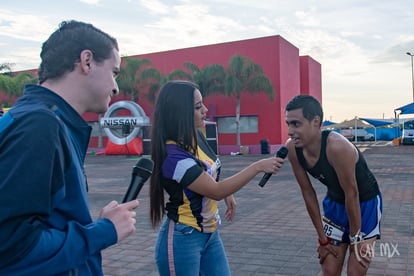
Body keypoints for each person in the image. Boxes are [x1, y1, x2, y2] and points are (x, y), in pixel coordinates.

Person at [0, 20, 139, 275]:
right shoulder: (39, 125)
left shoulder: (34, 118)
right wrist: (103, 232)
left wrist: (96, 226)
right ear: (86, 61)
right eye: (114, 72)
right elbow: (11, 247)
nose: (116, 87)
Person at [149, 80, 284, 275]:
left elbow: (210, 175)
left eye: (202, 103)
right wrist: (257, 166)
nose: (205, 110)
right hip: (183, 236)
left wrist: (228, 193)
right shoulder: (173, 156)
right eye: (197, 107)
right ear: (180, 112)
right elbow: (215, 191)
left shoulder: (196, 137)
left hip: (210, 234)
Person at [285, 95, 382, 275]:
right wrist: (322, 240)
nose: (290, 131)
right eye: (288, 124)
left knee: (355, 270)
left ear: (316, 121)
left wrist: (356, 239)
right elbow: (308, 192)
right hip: (335, 204)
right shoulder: (292, 148)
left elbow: (352, 194)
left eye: (296, 124)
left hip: (364, 203)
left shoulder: (337, 147)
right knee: (329, 270)